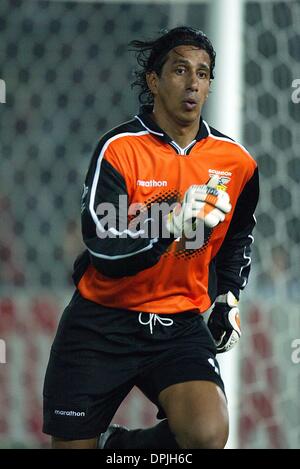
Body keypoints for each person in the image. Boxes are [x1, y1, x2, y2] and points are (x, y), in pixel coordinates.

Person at [43, 26, 259, 449]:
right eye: (180, 70)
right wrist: (168, 226)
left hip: (178, 324)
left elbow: (237, 237)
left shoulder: (236, 163)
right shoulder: (120, 149)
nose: (193, 82)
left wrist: (228, 295)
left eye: (203, 73)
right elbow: (103, 246)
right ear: (154, 81)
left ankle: (120, 449)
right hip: (102, 322)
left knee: (207, 434)